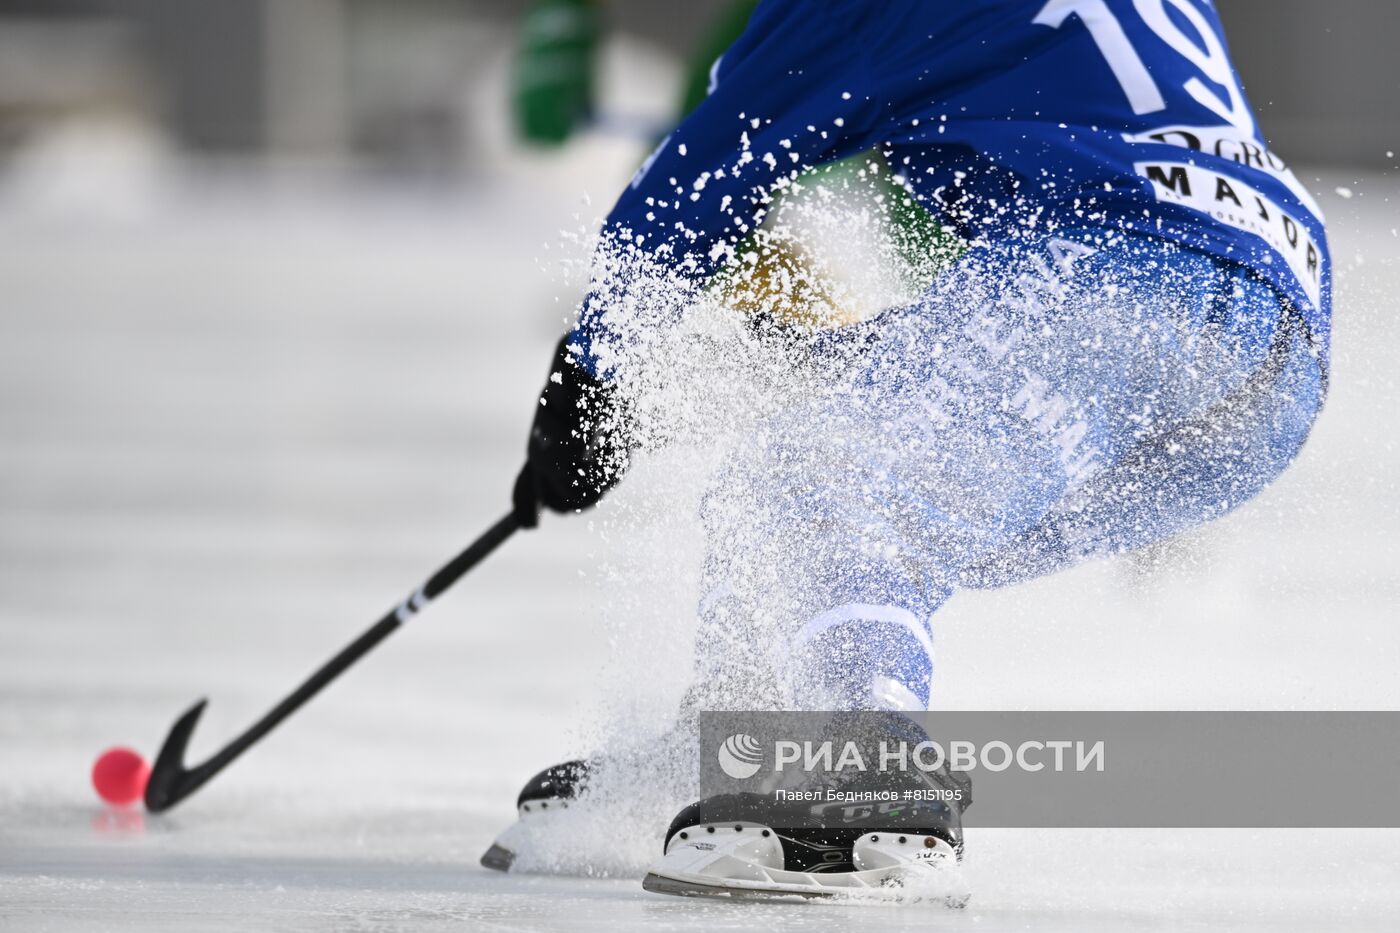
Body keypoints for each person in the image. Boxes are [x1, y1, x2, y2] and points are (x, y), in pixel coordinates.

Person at [502, 0, 1329, 897]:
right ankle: (736, 747)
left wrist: (587, 384)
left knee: (833, 490)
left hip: (1112, 270)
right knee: (795, 475)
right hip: (1275, 358)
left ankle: (875, 773)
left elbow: (709, 164)